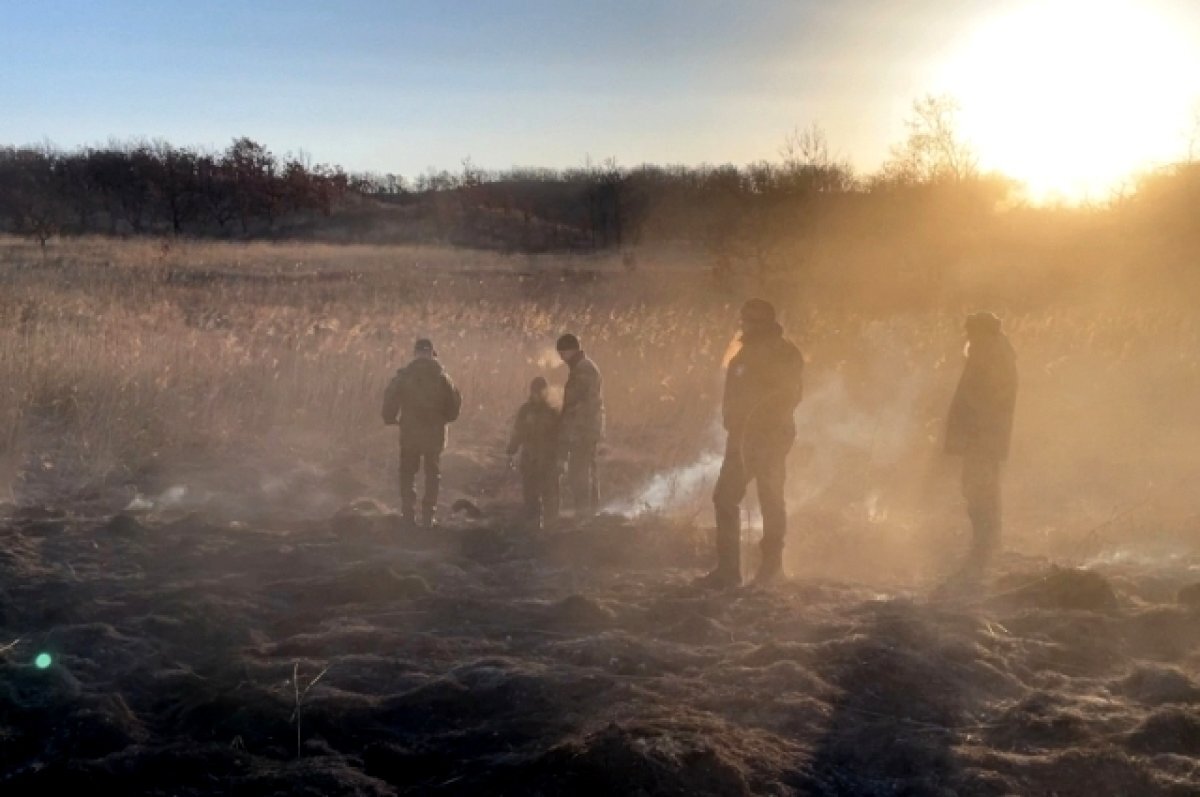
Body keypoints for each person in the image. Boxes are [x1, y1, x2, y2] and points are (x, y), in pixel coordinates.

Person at [703, 299, 804, 588]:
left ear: (765, 322)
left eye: (751, 320)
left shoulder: (784, 353)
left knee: (770, 499)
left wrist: (755, 419)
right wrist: (733, 421)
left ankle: (771, 569)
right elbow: (733, 392)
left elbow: (788, 395)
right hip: (741, 439)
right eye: (744, 319)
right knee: (724, 497)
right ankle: (727, 570)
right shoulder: (743, 353)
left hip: (771, 437)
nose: (744, 324)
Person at [944, 312, 1018, 579]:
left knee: (979, 488)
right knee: (980, 487)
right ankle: (984, 543)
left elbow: (985, 400)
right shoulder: (993, 354)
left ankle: (983, 545)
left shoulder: (990, 356)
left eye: (971, 332)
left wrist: (970, 427)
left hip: (982, 438)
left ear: (982, 333)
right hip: (984, 437)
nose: (967, 337)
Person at [381, 338, 462, 527]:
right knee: (432, 472)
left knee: (408, 472)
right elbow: (455, 404)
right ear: (432, 353)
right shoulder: (442, 376)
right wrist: (444, 419)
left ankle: (408, 515)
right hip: (434, 432)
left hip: (410, 431)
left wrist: (390, 418)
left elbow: (390, 396)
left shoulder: (405, 375)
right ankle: (428, 516)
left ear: (415, 353)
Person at [556, 333, 605, 518]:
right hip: (587, 427)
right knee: (586, 469)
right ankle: (590, 512)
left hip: (583, 429)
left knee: (579, 471)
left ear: (571, 350)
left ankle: (585, 513)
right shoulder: (584, 367)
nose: (561, 358)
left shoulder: (583, 370)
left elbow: (573, 401)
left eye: (562, 353)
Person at [506, 376, 561, 530]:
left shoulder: (553, 413)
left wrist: (561, 458)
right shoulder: (525, 411)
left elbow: (560, 438)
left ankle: (551, 526)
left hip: (548, 460)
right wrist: (512, 449)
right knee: (530, 495)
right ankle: (533, 527)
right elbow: (518, 432)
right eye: (536, 391)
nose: (538, 394)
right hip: (530, 459)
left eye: (541, 391)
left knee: (550, 494)